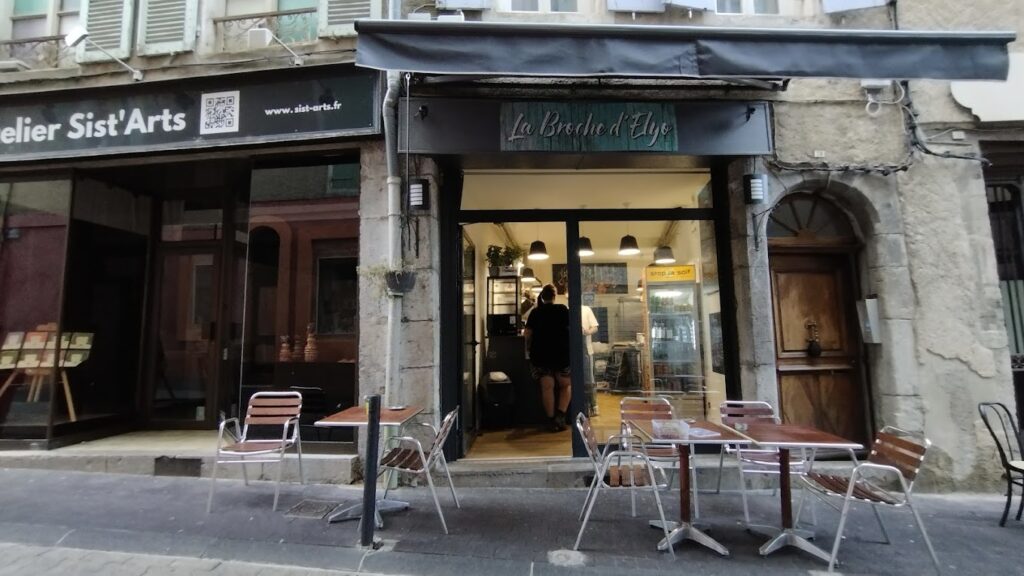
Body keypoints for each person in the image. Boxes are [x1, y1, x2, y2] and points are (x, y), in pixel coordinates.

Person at [524, 284, 571, 432]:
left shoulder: (536, 312)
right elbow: (572, 328)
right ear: (554, 296)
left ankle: (551, 420)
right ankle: (561, 415)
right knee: (565, 385)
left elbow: (527, 334)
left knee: (547, 387)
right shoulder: (562, 309)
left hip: (541, 354)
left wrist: (528, 349)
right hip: (561, 353)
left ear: (542, 296)